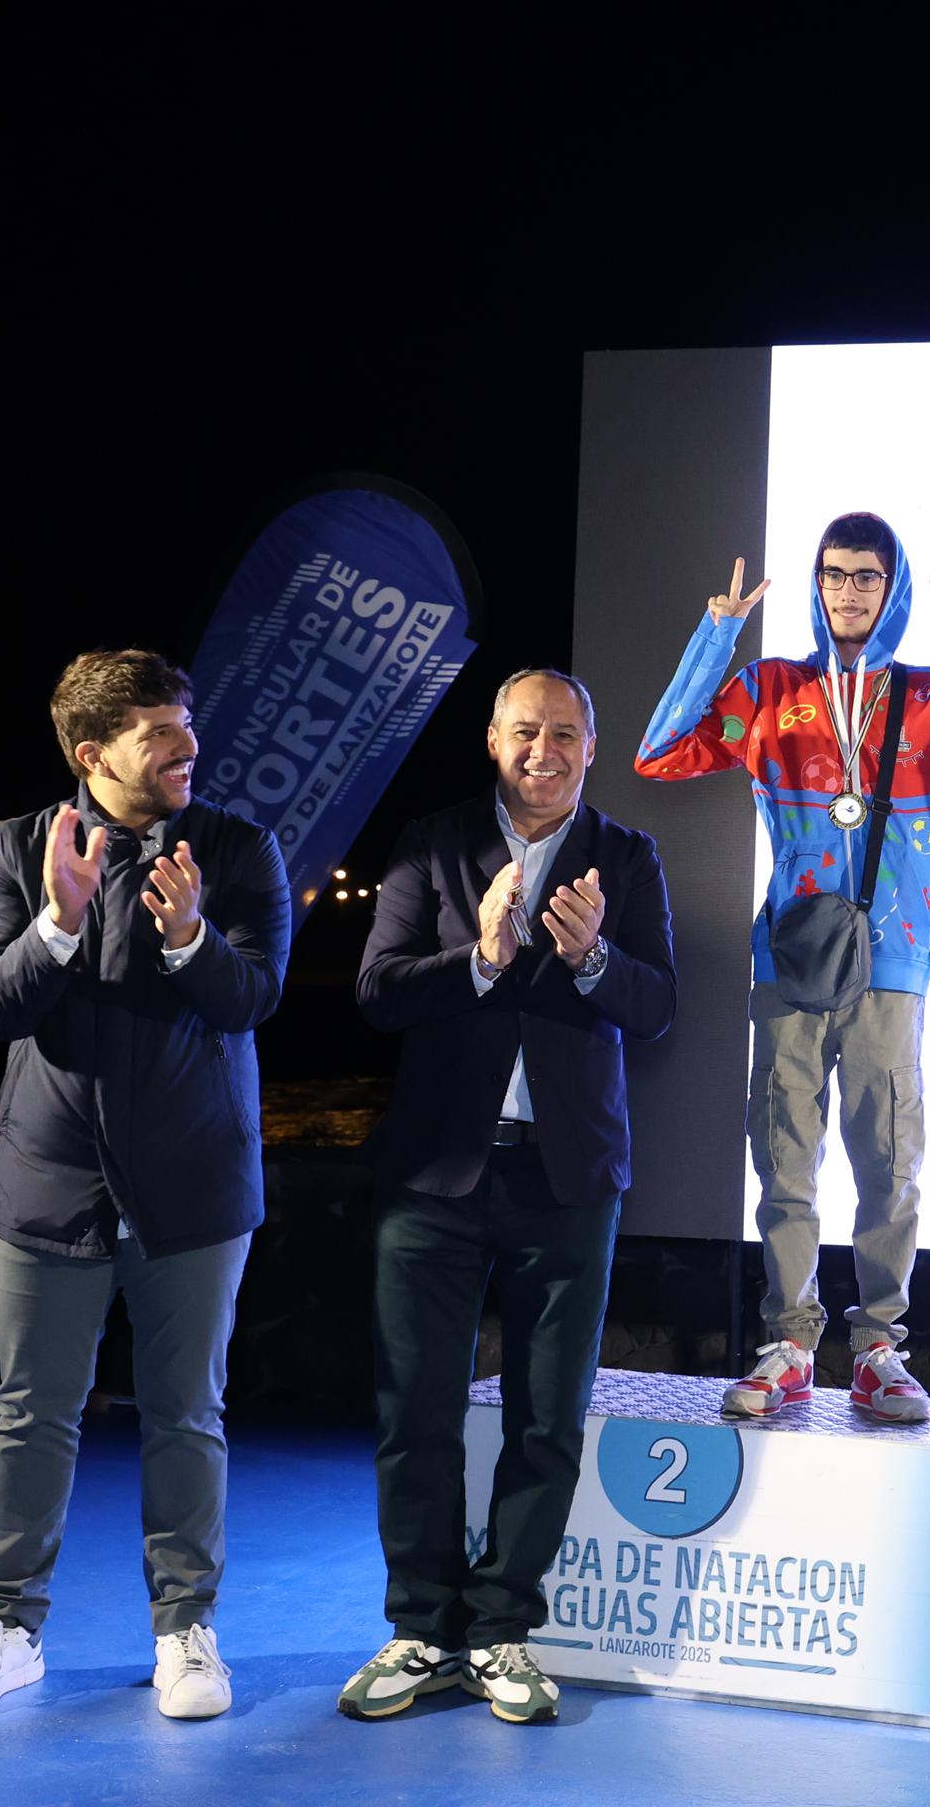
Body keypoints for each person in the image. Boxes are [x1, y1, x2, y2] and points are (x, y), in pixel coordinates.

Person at [0, 650, 291, 1723]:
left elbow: (255, 996)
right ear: (94, 755)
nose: (189, 748)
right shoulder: (15, 849)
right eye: (161, 733)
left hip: (196, 1183)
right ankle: (10, 1632)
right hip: (48, 1182)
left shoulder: (235, 846)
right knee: (33, 1414)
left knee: (188, 1414)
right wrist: (63, 923)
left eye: (187, 726)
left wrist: (189, 938)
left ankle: (186, 1633)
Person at [637, 515, 930, 1420]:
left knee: (887, 1159)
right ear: (817, 583)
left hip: (894, 960)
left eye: (867, 577)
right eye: (834, 576)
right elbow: (659, 753)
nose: (849, 592)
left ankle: (878, 1349)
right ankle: (789, 1343)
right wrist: (715, 635)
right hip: (791, 951)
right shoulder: (769, 690)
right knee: (785, 1156)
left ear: (893, 586)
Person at [338, 667, 675, 1727]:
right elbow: (376, 992)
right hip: (435, 1175)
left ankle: (502, 1631)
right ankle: (421, 1628)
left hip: (568, 1178)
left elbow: (660, 1006)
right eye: (526, 731)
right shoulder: (431, 842)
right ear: (492, 741)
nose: (546, 751)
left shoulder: (627, 857)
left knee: (548, 1419)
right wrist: (478, 958)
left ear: (593, 745)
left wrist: (592, 959)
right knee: (415, 1413)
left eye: (566, 733)